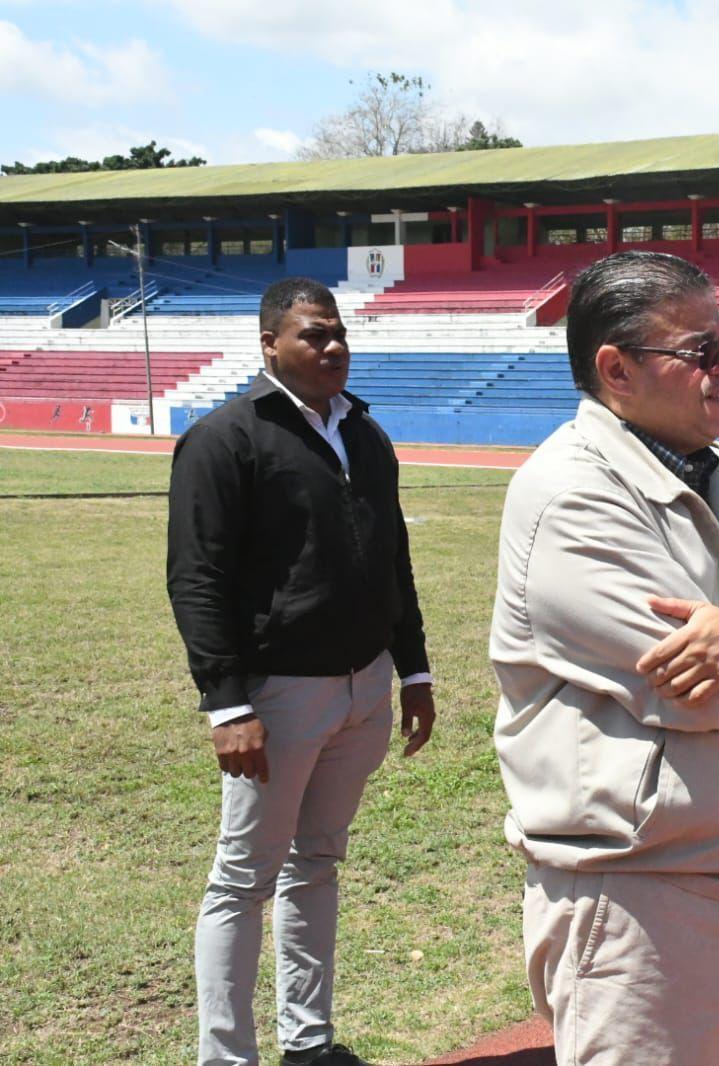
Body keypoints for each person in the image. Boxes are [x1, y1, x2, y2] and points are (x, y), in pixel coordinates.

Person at [491, 250, 719, 1066]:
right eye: (700, 351)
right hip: (639, 904)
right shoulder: (570, 495)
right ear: (616, 370)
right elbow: (702, 692)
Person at [167, 277, 436, 1066]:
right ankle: (226, 1057)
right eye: (312, 335)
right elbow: (197, 576)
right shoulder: (227, 438)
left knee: (316, 864)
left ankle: (308, 1042)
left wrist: (412, 668)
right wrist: (227, 705)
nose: (331, 348)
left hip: (365, 687)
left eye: (338, 333)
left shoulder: (366, 434)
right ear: (269, 346)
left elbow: (393, 557)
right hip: (278, 695)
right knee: (242, 880)